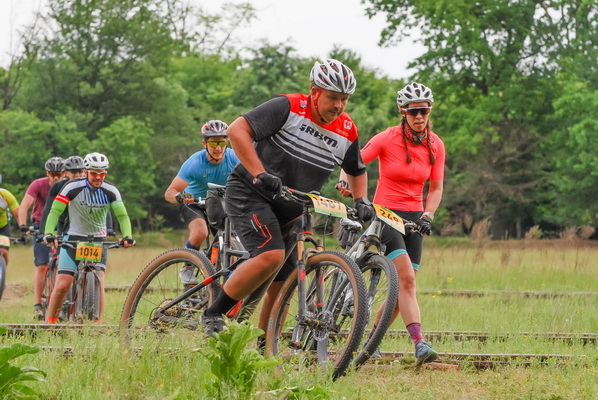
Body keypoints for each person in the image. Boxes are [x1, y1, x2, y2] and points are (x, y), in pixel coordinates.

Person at [200, 59, 375, 338]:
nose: (339, 105)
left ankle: (265, 347)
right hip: (251, 192)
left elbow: (356, 170)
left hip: (293, 206)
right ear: (315, 91)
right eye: (333, 97)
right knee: (271, 256)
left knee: (283, 283)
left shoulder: (347, 129)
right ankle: (213, 313)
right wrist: (259, 173)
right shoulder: (289, 107)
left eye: (344, 99)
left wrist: (361, 200)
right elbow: (236, 130)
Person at [338, 82, 445, 366]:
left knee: (403, 287)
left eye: (424, 111)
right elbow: (353, 162)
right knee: (406, 279)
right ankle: (420, 343)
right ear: (403, 112)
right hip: (386, 214)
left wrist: (428, 215)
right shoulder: (388, 137)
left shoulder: (436, 144)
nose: (419, 116)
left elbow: (435, 188)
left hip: (416, 219)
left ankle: (371, 340)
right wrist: (344, 181)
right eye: (413, 112)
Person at [43, 152, 135, 324]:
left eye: (102, 173)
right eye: (94, 173)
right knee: (63, 284)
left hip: (97, 240)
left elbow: (122, 216)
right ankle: (50, 322)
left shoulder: (111, 191)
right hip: (73, 237)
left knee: (99, 279)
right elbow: (55, 211)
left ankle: (97, 323)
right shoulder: (71, 187)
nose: (98, 177)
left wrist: (127, 236)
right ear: (86, 172)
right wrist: (49, 233)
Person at [164, 120, 239, 284]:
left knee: (232, 241)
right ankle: (187, 267)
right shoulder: (195, 163)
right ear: (205, 144)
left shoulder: (234, 157)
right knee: (200, 233)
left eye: (222, 143)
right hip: (195, 203)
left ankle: (228, 279)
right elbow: (169, 193)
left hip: (220, 203)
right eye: (213, 143)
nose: (218, 148)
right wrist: (180, 197)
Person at [17, 157, 65, 319]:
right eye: (52, 174)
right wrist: (23, 225)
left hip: (61, 226)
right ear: (47, 173)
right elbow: (24, 206)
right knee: (42, 266)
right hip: (40, 226)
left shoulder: (68, 186)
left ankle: (62, 303)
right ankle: (38, 304)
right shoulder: (38, 184)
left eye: (59, 174)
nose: (56, 177)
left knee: (63, 266)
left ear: (64, 173)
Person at [0, 174, 21, 265]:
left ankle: (2, 270)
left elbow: (18, 214)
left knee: (4, 251)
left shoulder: (6, 195)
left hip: (3, 227)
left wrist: (23, 231)